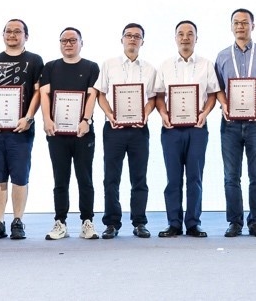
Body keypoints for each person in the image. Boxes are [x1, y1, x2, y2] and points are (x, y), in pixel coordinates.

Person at [0, 18, 43, 240]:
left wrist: (29, 118)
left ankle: (17, 221)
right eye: (8, 31)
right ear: (3, 35)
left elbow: (38, 92)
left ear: (26, 36)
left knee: (20, 177)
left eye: (17, 31)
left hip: (21, 130)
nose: (12, 35)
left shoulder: (34, 60)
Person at [154, 20, 219, 238]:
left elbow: (213, 94)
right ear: (175, 38)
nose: (185, 37)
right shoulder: (165, 66)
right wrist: (163, 114)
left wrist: (204, 113)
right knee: (173, 178)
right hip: (171, 129)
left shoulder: (206, 65)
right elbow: (159, 95)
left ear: (196, 38)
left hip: (197, 128)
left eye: (190, 34)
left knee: (194, 177)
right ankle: (173, 223)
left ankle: (193, 223)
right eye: (181, 34)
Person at [214, 8, 256, 237]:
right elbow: (217, 88)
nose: (240, 26)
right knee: (231, 176)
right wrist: (224, 105)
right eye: (236, 23)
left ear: (253, 26)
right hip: (230, 124)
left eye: (245, 22)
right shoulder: (222, 56)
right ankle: (235, 222)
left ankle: (255, 221)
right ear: (231, 26)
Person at [96, 23, 158, 239]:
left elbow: (153, 98)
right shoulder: (109, 65)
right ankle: (111, 223)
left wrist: (145, 114)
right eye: (128, 35)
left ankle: (139, 222)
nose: (132, 39)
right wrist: (110, 114)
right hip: (114, 129)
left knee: (139, 177)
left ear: (142, 41)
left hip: (139, 130)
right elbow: (101, 94)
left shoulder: (150, 69)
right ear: (121, 39)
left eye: (137, 36)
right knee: (111, 178)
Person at [39, 27, 100, 241]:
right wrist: (46, 119)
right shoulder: (50, 67)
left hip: (83, 133)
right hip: (57, 133)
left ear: (81, 43)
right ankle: (60, 222)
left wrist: (86, 120)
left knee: (85, 178)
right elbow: (44, 94)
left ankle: (87, 222)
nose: (68, 44)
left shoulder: (91, 67)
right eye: (64, 40)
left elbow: (92, 95)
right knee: (60, 179)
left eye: (73, 40)